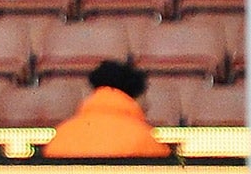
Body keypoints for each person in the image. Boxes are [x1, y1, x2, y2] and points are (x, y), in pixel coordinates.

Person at [41, 60, 169, 159]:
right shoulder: (145, 139)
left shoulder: (62, 135)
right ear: (136, 97)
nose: (148, 105)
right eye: (145, 96)